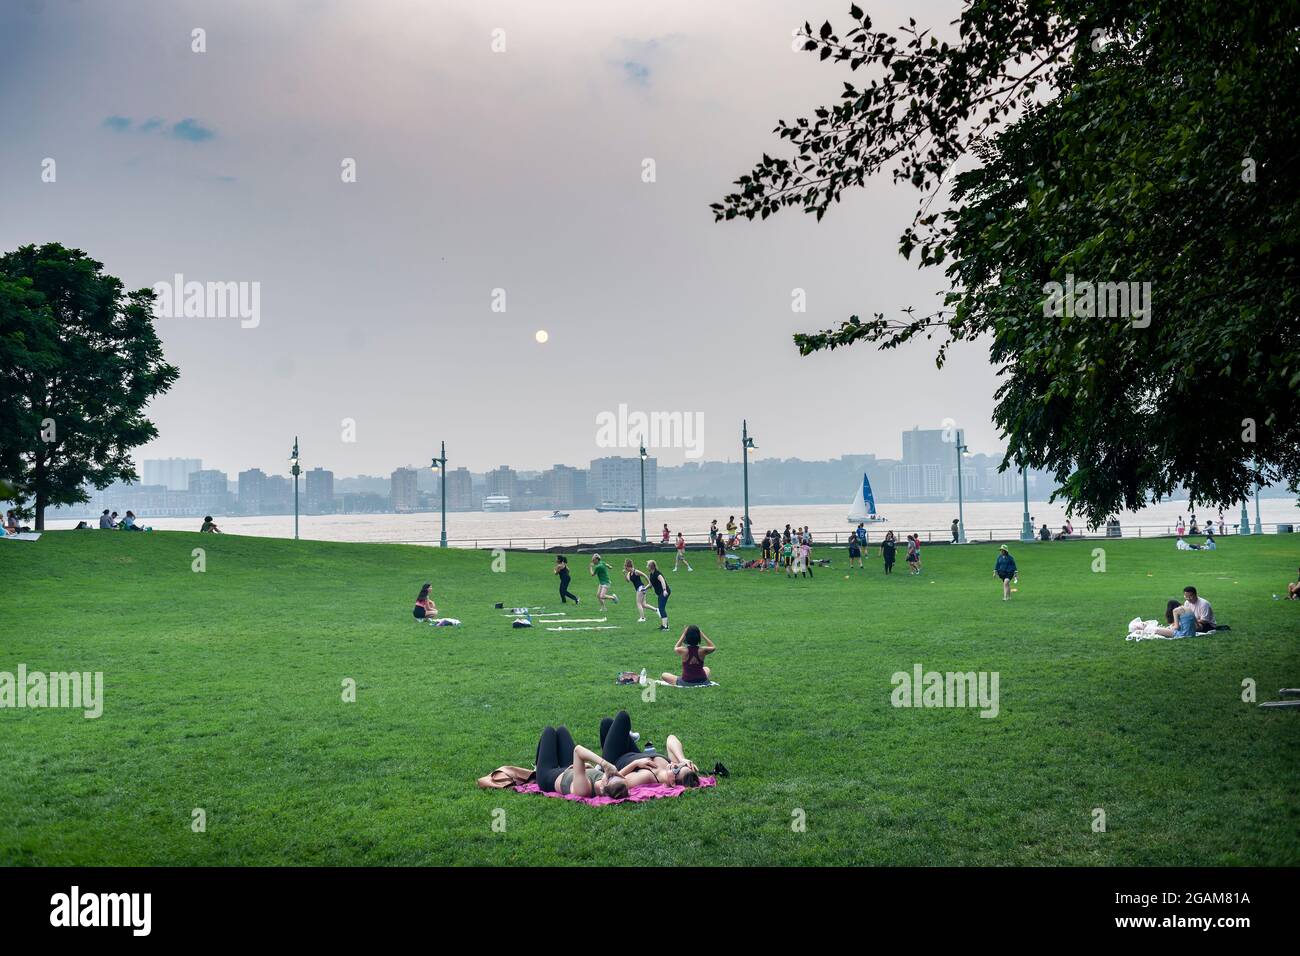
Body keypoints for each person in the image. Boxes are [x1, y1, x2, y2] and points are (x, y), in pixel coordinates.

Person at [597, 711, 702, 787]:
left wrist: (635, 764)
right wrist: (682, 759)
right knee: (608, 723)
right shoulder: (670, 766)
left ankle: (602, 766)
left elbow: (614, 782)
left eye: (676, 769)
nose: (675, 765)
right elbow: (671, 738)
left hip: (616, 759)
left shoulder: (647, 776)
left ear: (673, 782)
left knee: (621, 717)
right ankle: (624, 738)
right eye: (679, 766)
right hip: (632, 752)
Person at [534, 725, 628, 798]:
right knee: (562, 731)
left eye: (611, 777)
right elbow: (621, 778)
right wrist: (635, 763)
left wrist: (604, 764)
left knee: (549, 731)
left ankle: (537, 768)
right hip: (570, 770)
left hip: (549, 775)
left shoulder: (583, 790)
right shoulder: (612, 785)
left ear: (603, 786)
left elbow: (578, 750)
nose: (612, 773)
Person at [646, 559, 671, 630]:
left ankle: (665, 627)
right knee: (661, 608)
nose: (646, 567)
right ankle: (665, 625)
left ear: (651, 567)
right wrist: (645, 589)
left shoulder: (657, 574)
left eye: (647, 566)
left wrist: (664, 590)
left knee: (661, 608)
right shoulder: (651, 574)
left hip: (664, 592)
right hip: (660, 593)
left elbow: (662, 581)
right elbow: (650, 584)